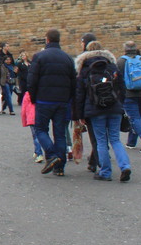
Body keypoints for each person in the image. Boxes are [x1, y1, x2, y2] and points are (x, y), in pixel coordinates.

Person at [74, 41, 132, 182]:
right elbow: (122, 88)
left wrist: (79, 114)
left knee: (100, 141)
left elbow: (80, 94)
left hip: (95, 109)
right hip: (114, 107)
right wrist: (120, 104)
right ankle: (125, 166)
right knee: (115, 140)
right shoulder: (112, 66)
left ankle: (105, 171)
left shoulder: (85, 68)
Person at [27, 29, 77, 176]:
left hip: (44, 100)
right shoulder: (68, 58)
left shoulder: (39, 56)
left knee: (40, 129)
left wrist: (34, 97)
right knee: (60, 134)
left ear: (47, 40)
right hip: (62, 101)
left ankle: (52, 154)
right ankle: (60, 167)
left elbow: (32, 80)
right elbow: (73, 82)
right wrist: (69, 99)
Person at [115, 41, 141, 153]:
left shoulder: (120, 62)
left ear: (125, 49)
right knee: (136, 118)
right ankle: (131, 142)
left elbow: (116, 79)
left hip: (128, 94)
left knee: (134, 118)